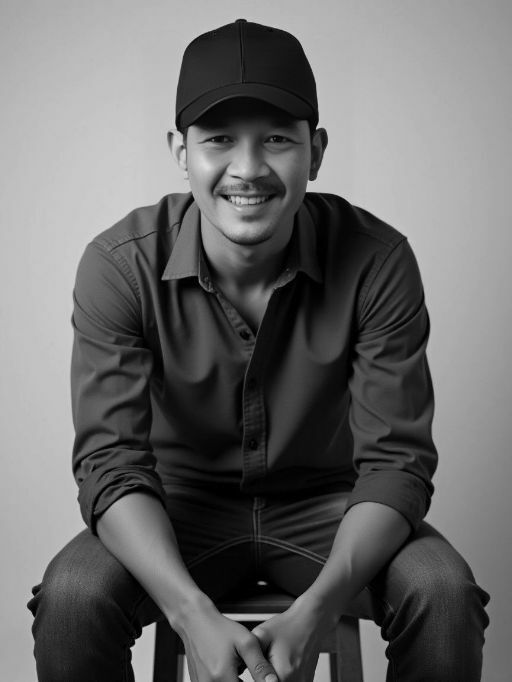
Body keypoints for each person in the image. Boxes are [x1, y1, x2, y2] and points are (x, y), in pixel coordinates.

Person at [27, 18, 490, 682]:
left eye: (276, 139)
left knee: (443, 594)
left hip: (334, 507)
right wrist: (189, 613)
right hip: (176, 508)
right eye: (219, 139)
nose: (247, 169)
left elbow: (396, 464)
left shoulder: (377, 260)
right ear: (181, 151)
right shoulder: (119, 265)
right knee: (73, 599)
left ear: (316, 151)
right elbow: (111, 465)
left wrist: (318, 610)